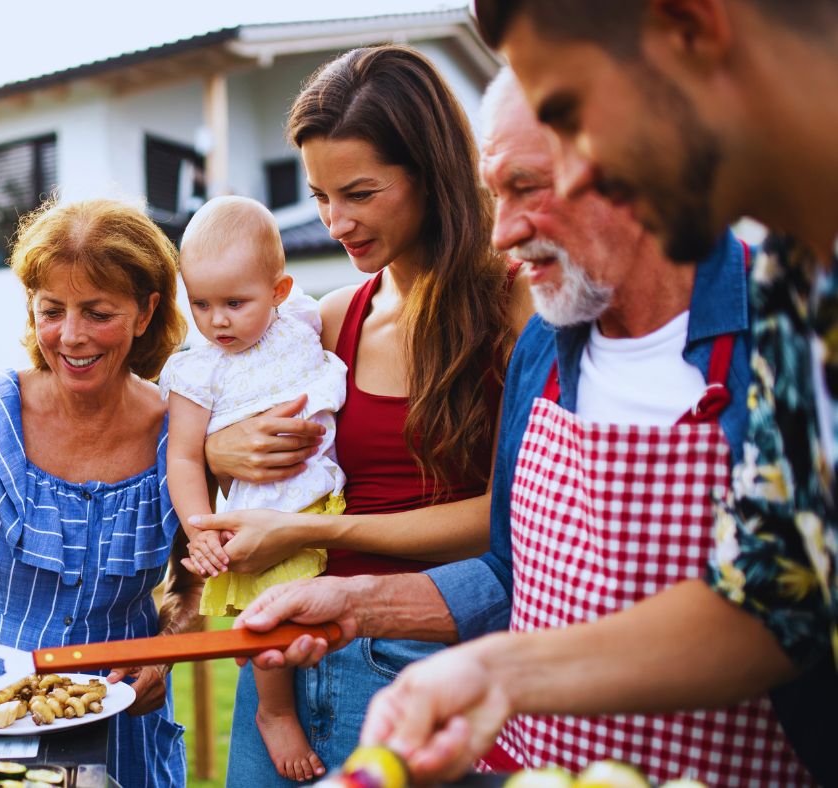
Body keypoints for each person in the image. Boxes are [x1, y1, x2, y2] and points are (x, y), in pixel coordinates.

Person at [232, 70, 812, 785]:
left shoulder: (793, 341)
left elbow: (785, 611)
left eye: (528, 187)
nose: (502, 231)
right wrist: (358, 602)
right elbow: (513, 575)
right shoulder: (545, 349)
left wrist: (496, 670)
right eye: (494, 192)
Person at [468, 0, 837, 780]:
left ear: (691, 27)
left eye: (570, 116)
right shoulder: (798, 275)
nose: (578, 172)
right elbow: (777, 589)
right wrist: (493, 674)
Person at [190, 45, 530, 786]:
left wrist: (314, 529)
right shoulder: (332, 318)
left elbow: (514, 522)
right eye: (318, 196)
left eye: (360, 193)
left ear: (430, 173)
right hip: (281, 660)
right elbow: (225, 414)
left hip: (413, 665)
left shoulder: (512, 305)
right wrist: (219, 452)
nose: (335, 221)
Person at [0, 199, 202, 787]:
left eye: (97, 312)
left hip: (121, 718)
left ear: (145, 313)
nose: (71, 335)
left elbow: (190, 582)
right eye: (52, 310)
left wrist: (163, 651)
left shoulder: (181, 432)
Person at [160, 195, 347, 782]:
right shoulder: (199, 370)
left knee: (314, 626)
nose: (217, 321)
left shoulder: (305, 322)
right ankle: (275, 711)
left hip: (327, 499)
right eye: (201, 304)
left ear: (280, 291)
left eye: (235, 303)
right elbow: (184, 459)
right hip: (261, 512)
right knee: (268, 618)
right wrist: (199, 529)